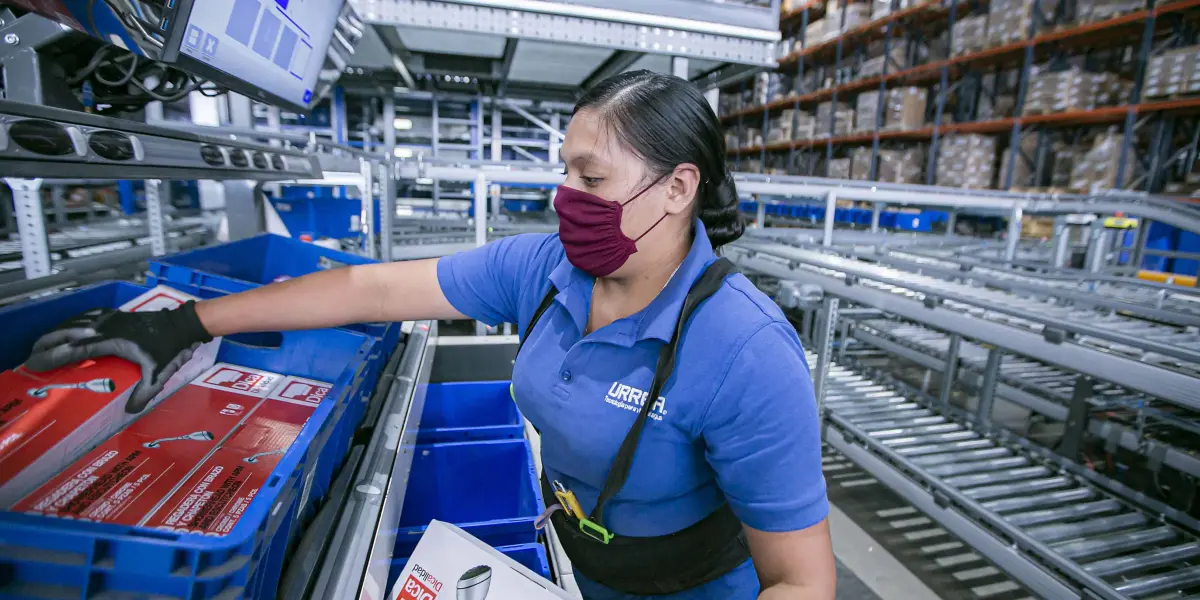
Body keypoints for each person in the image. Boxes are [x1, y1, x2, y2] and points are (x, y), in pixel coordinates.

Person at [26, 71, 835, 600]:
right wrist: (184, 323)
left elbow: (801, 581)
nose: (563, 197)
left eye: (590, 179)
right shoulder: (547, 269)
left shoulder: (744, 350)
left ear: (677, 189)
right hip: (583, 566)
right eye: (563, 171)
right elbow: (370, 286)